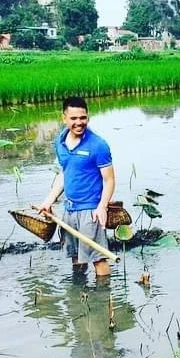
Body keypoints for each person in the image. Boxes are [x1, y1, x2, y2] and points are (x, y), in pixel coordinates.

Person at [39, 96, 116, 277]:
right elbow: (65, 173)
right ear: (64, 118)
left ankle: (103, 298)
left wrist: (102, 207)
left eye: (83, 118)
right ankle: (78, 297)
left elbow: (109, 180)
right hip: (69, 209)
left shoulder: (98, 145)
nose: (79, 123)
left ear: (88, 117)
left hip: (91, 210)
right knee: (76, 257)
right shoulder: (60, 142)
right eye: (73, 118)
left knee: (98, 258)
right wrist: (49, 200)